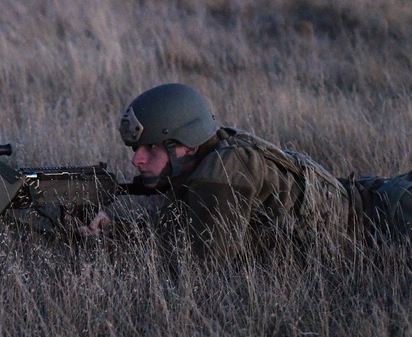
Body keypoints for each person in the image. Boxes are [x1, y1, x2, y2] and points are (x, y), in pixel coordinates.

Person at [79, 83, 352, 261]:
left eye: (151, 147)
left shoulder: (223, 169)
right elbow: (180, 227)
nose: (137, 160)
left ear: (187, 145)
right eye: (136, 149)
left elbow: (200, 259)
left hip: (380, 216)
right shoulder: (206, 153)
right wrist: (113, 228)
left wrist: (117, 242)